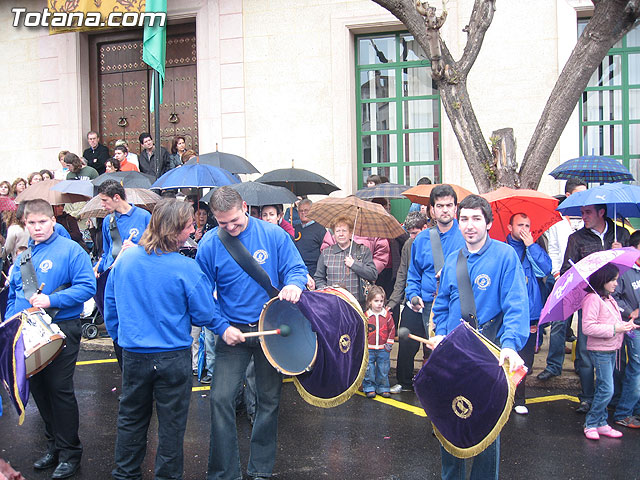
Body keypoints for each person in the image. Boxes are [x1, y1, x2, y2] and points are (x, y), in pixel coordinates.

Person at [103, 199, 226, 479]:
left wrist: (121, 338)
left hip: (133, 353)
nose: (193, 229)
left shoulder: (126, 260)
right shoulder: (186, 268)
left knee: (131, 420)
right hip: (172, 356)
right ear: (175, 230)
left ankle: (125, 475)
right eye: (189, 226)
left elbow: (110, 305)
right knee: (171, 426)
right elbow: (205, 314)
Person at [195, 186, 308, 480]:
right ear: (214, 219)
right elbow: (203, 296)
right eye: (223, 224)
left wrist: (294, 284)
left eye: (235, 221)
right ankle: (223, 473)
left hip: (270, 330)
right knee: (220, 399)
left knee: (268, 401)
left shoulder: (273, 235)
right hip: (233, 332)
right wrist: (221, 327)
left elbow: (296, 269)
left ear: (245, 207)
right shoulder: (209, 244)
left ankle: (260, 470)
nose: (231, 228)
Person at [431, 194, 529, 480]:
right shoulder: (453, 259)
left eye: (476, 219)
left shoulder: (505, 256)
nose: (469, 225)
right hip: (452, 353)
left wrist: (510, 345)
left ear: (488, 223)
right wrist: (438, 334)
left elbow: (515, 304)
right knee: (449, 420)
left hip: (489, 354)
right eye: (464, 219)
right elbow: (442, 303)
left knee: (486, 425)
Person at [5, 199, 96, 479]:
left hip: (61, 328)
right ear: (24, 225)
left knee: (59, 390)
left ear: (52, 221)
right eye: (31, 223)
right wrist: (9, 326)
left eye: (42, 221)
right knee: (40, 391)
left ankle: (70, 452)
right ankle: (53, 446)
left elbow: (87, 287)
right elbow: (14, 296)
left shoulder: (71, 250)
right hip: (27, 332)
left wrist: (51, 299)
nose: (37, 227)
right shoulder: (23, 257)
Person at [557, 203, 630, 414]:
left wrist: (618, 253)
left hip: (618, 302)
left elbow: (631, 265)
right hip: (589, 300)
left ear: (601, 212)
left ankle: (614, 397)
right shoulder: (577, 238)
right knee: (585, 352)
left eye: (587, 212)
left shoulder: (621, 234)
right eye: (581, 213)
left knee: (617, 353)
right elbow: (566, 271)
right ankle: (587, 398)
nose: (583, 216)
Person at [94, 181, 151, 367]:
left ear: (116, 197)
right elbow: (107, 251)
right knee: (115, 325)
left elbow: (155, 247)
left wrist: (136, 248)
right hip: (112, 278)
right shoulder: (108, 221)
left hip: (135, 279)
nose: (102, 205)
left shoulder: (144, 216)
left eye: (104, 200)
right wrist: (98, 267)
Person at [538, 177, 587, 381]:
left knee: (584, 326)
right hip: (564, 277)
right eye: (578, 193)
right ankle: (554, 365)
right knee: (559, 323)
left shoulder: (588, 217)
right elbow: (554, 250)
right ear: (568, 195)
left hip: (587, 280)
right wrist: (557, 273)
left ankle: (582, 365)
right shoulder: (557, 219)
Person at [582, 263, 636, 440]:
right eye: (613, 280)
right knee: (607, 389)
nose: (616, 283)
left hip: (612, 348)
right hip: (601, 350)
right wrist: (615, 329)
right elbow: (588, 327)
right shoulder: (593, 299)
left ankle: (602, 422)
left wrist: (626, 326)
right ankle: (591, 423)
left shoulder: (608, 298)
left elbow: (614, 322)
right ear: (603, 280)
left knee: (605, 388)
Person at [506, 212, 552, 414]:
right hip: (507, 310)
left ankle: (519, 398)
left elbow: (545, 269)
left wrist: (531, 246)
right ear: (510, 228)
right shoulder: (503, 248)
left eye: (527, 224)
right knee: (506, 354)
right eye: (520, 225)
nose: (524, 229)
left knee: (525, 358)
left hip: (530, 310)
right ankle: (503, 396)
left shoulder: (533, 247)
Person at [405, 184, 465, 336]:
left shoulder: (467, 236)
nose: (445, 210)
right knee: (433, 354)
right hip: (430, 306)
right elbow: (413, 275)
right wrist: (413, 295)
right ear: (432, 210)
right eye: (440, 205)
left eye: (449, 205)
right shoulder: (421, 240)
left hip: (460, 304)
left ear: (455, 208)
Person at [388, 211, 428, 393]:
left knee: (432, 346)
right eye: (410, 233)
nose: (412, 237)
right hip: (411, 302)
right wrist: (393, 302)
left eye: (415, 232)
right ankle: (404, 382)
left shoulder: (435, 243)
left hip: (432, 303)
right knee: (405, 342)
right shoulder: (408, 245)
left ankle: (431, 383)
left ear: (425, 228)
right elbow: (402, 274)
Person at [314, 216, 378, 306]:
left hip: (357, 305)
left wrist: (354, 264)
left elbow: (373, 274)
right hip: (333, 303)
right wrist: (327, 291)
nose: (341, 234)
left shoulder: (363, 251)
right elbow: (318, 278)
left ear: (351, 233)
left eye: (344, 231)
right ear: (334, 234)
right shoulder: (326, 253)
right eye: (338, 231)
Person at [612, 230, 640, 428]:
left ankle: (634, 409)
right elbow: (614, 297)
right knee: (636, 370)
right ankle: (624, 412)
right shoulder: (623, 270)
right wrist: (632, 311)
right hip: (632, 327)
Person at [363, 285, 395, 399]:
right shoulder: (366, 316)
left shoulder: (387, 316)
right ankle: (369, 387)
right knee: (369, 369)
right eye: (376, 301)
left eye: (381, 301)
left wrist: (389, 344)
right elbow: (362, 331)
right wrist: (364, 345)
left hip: (383, 348)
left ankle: (383, 387)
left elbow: (392, 329)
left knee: (383, 368)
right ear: (369, 302)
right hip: (369, 348)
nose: (379, 303)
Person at [293, 199, 326, 277]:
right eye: (301, 211)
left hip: (314, 271)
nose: (303, 213)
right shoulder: (295, 229)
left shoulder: (320, 229)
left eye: (306, 210)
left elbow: (324, 252)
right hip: (297, 270)